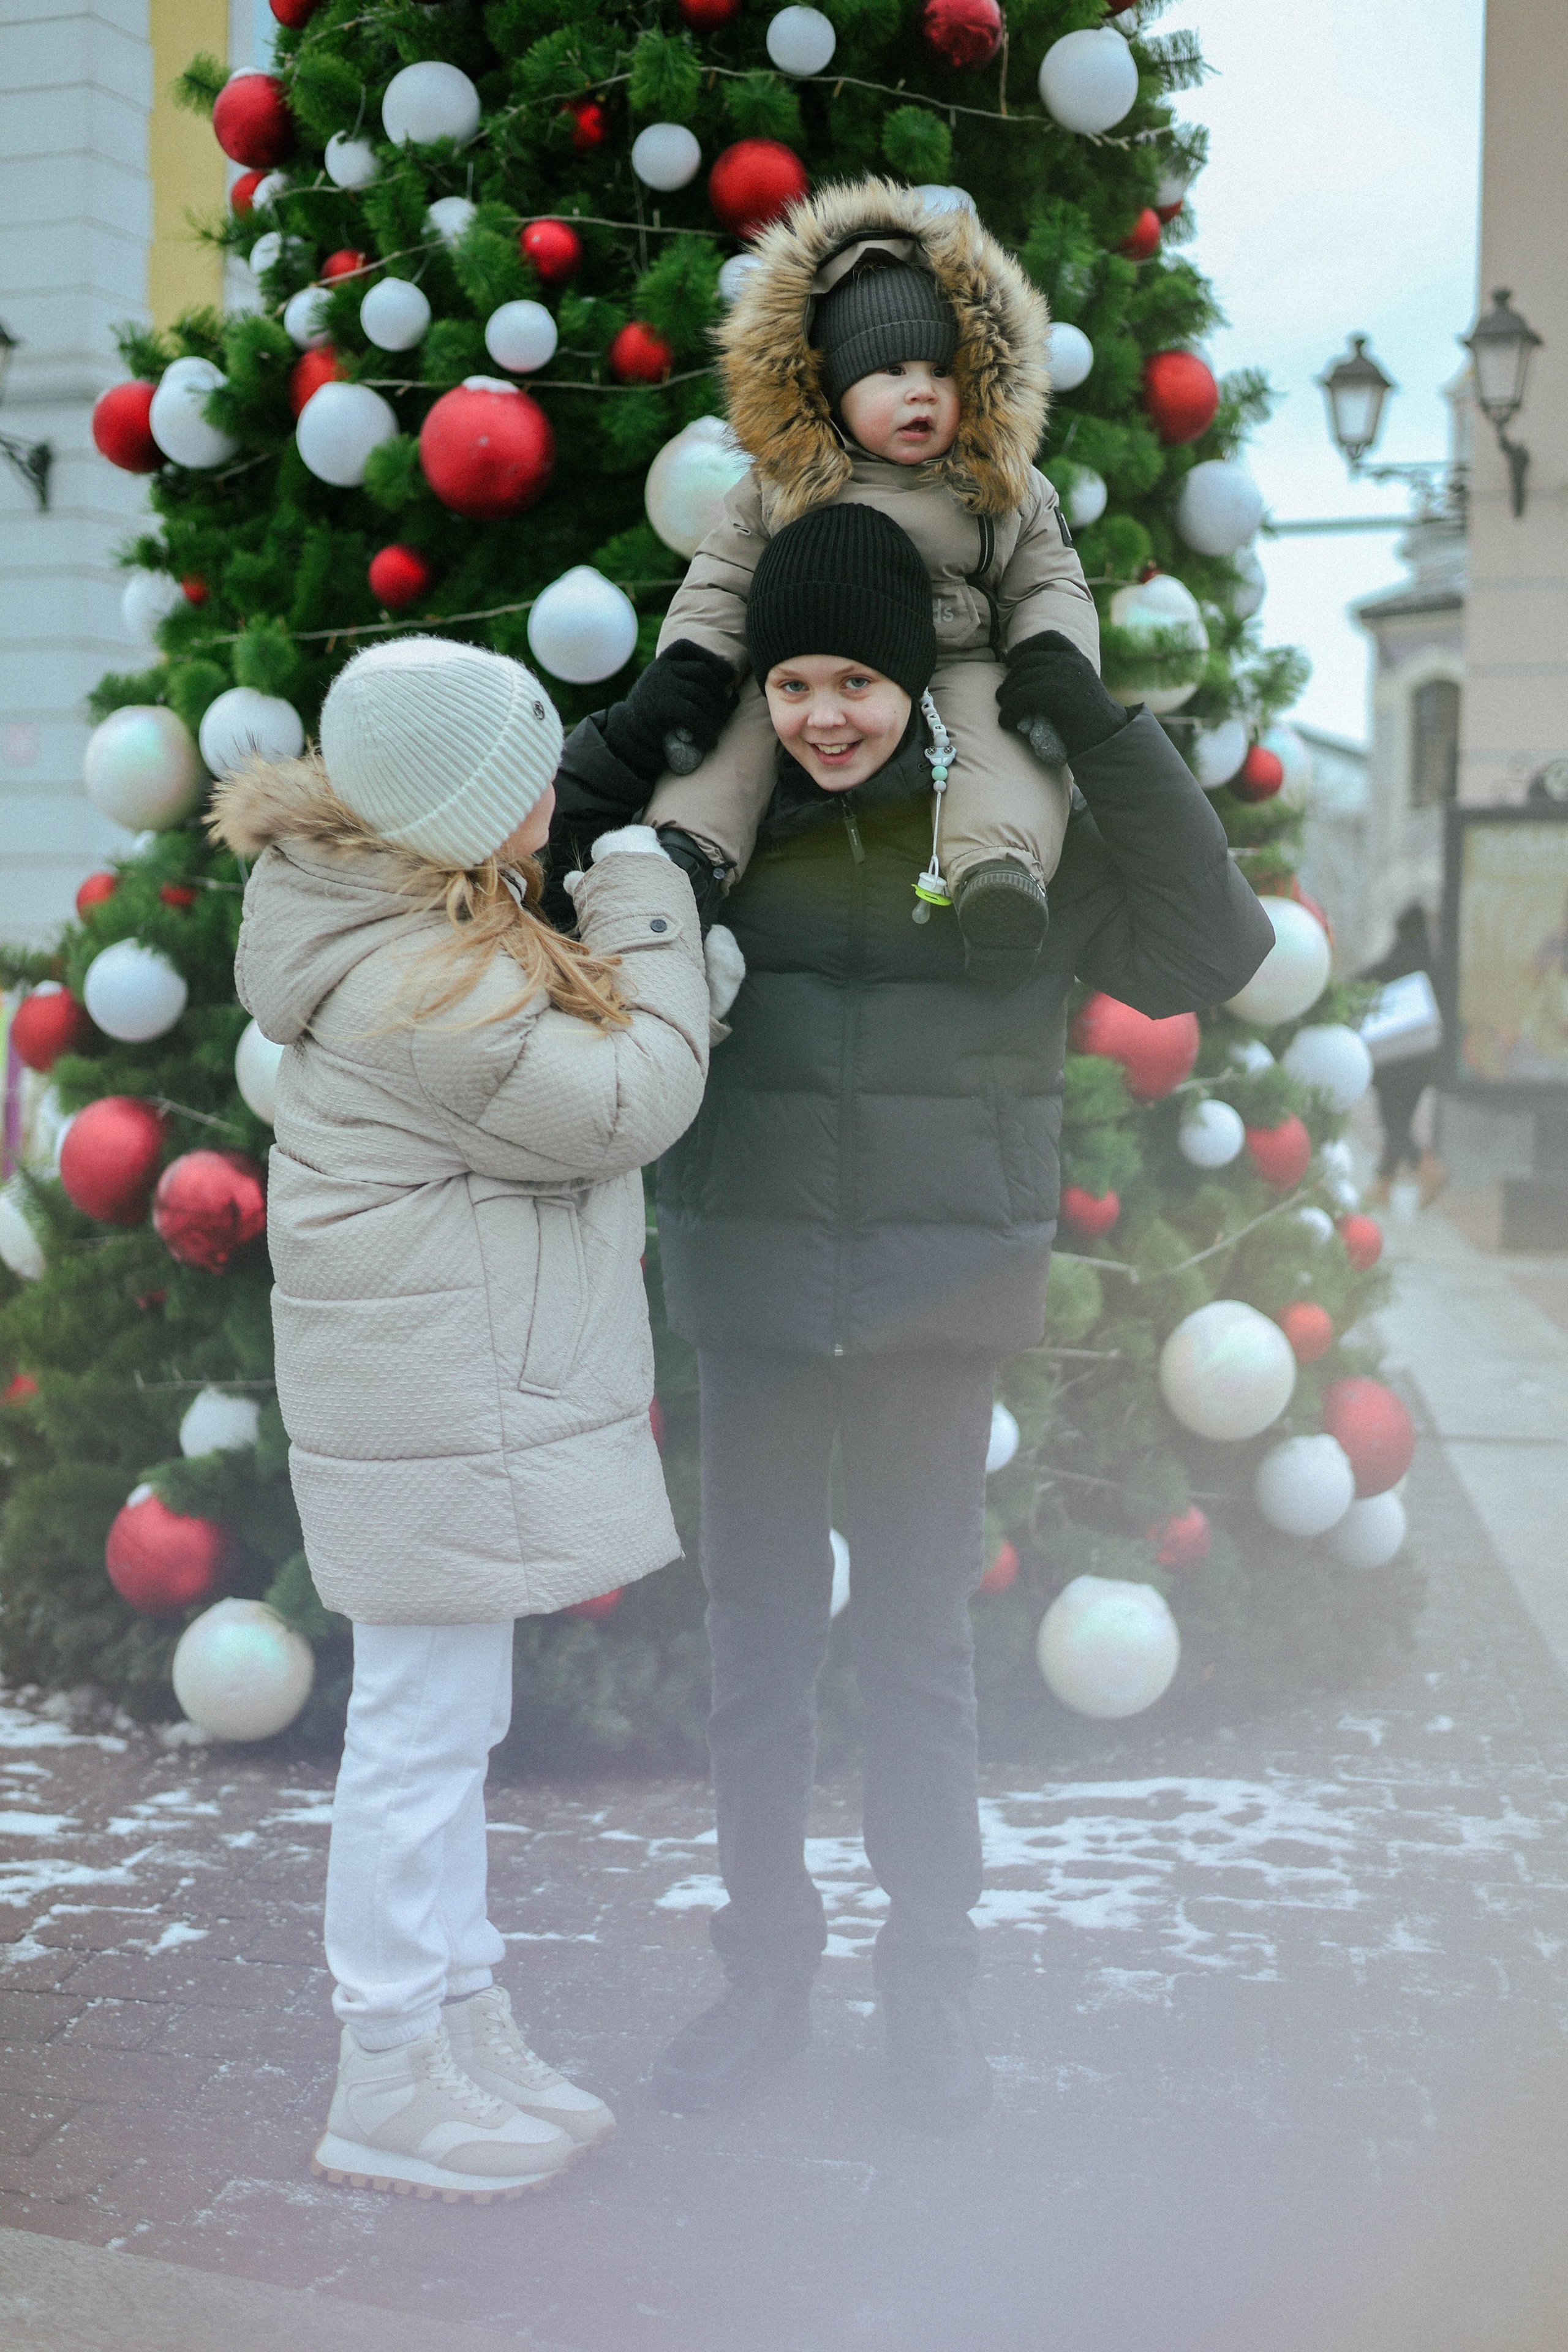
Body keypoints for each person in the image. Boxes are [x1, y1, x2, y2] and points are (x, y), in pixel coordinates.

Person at [549, 510, 1275, 2131]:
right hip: (754, 1297)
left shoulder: (1007, 845)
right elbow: (549, 874)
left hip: (940, 1312)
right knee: (757, 1656)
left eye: (857, 682)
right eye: (793, 680)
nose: (824, 714)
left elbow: (1212, 948)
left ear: (906, 682)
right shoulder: (708, 845)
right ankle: (765, 1981)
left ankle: (932, 1990)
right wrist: (648, 715)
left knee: (918, 1655)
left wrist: (1089, 722)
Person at [213, 636, 712, 2203]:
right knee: (420, 1731)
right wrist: (646, 903)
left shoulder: (420, 919)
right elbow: (630, 1098)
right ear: (452, 811)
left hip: (441, 1389)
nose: (554, 799)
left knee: (451, 1721)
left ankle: (457, 2017)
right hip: (430, 1397)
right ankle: (385, 2069)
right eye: (525, 781)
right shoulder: (415, 975)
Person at [621, 176, 1101, 982]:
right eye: (889, 373)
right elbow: (721, 579)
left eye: (940, 373)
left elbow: (1050, 579)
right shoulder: (788, 480)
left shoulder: (997, 482)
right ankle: (688, 858)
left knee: (1000, 737)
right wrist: (695, 664)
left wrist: (1053, 660)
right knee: (741, 728)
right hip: (814, 665)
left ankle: (996, 877)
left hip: (957, 658)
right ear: (834, 391)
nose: (922, 391)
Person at [1362, 900, 1446, 1206]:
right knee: (1400, 1123)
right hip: (1423, 1060)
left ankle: (1427, 1168)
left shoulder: (1396, 961)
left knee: (1393, 1124)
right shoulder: (1433, 965)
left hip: (1394, 1060)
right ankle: (1383, 1186)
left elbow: (1363, 979)